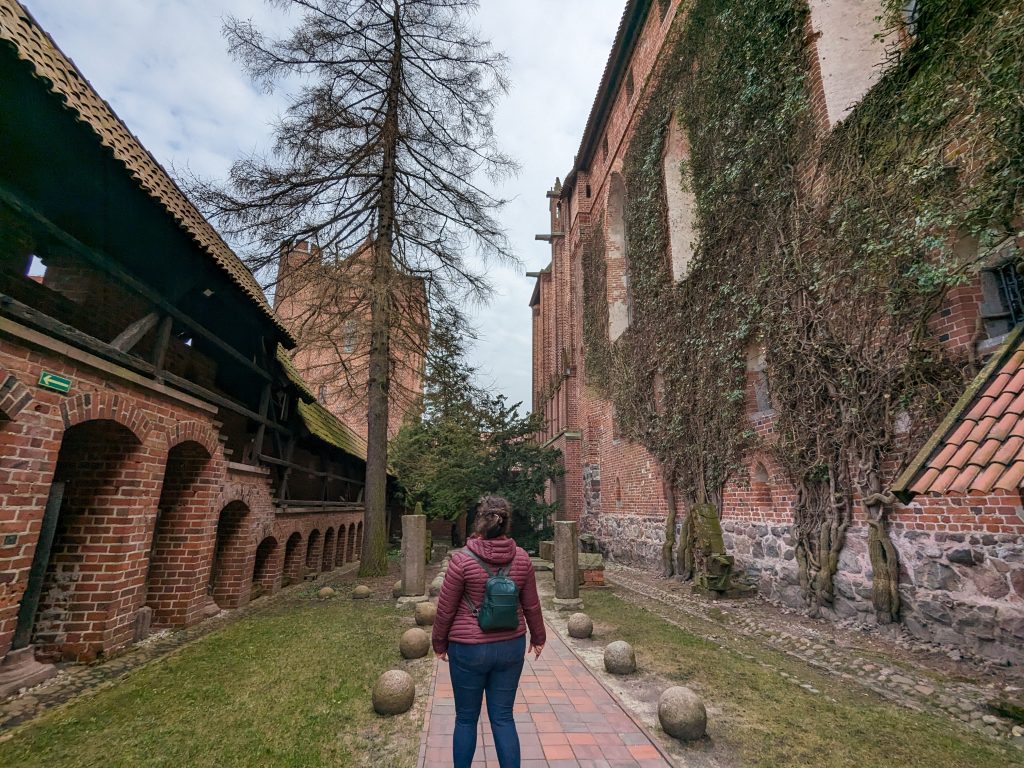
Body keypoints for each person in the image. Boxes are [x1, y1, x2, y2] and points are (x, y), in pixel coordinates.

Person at [432, 495, 545, 768]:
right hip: (510, 646)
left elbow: (445, 609)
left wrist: (439, 644)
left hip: (468, 649)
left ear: (480, 522)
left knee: (466, 719)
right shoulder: (521, 559)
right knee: (504, 717)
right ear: (506, 524)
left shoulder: (461, 560)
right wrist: (538, 638)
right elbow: (531, 604)